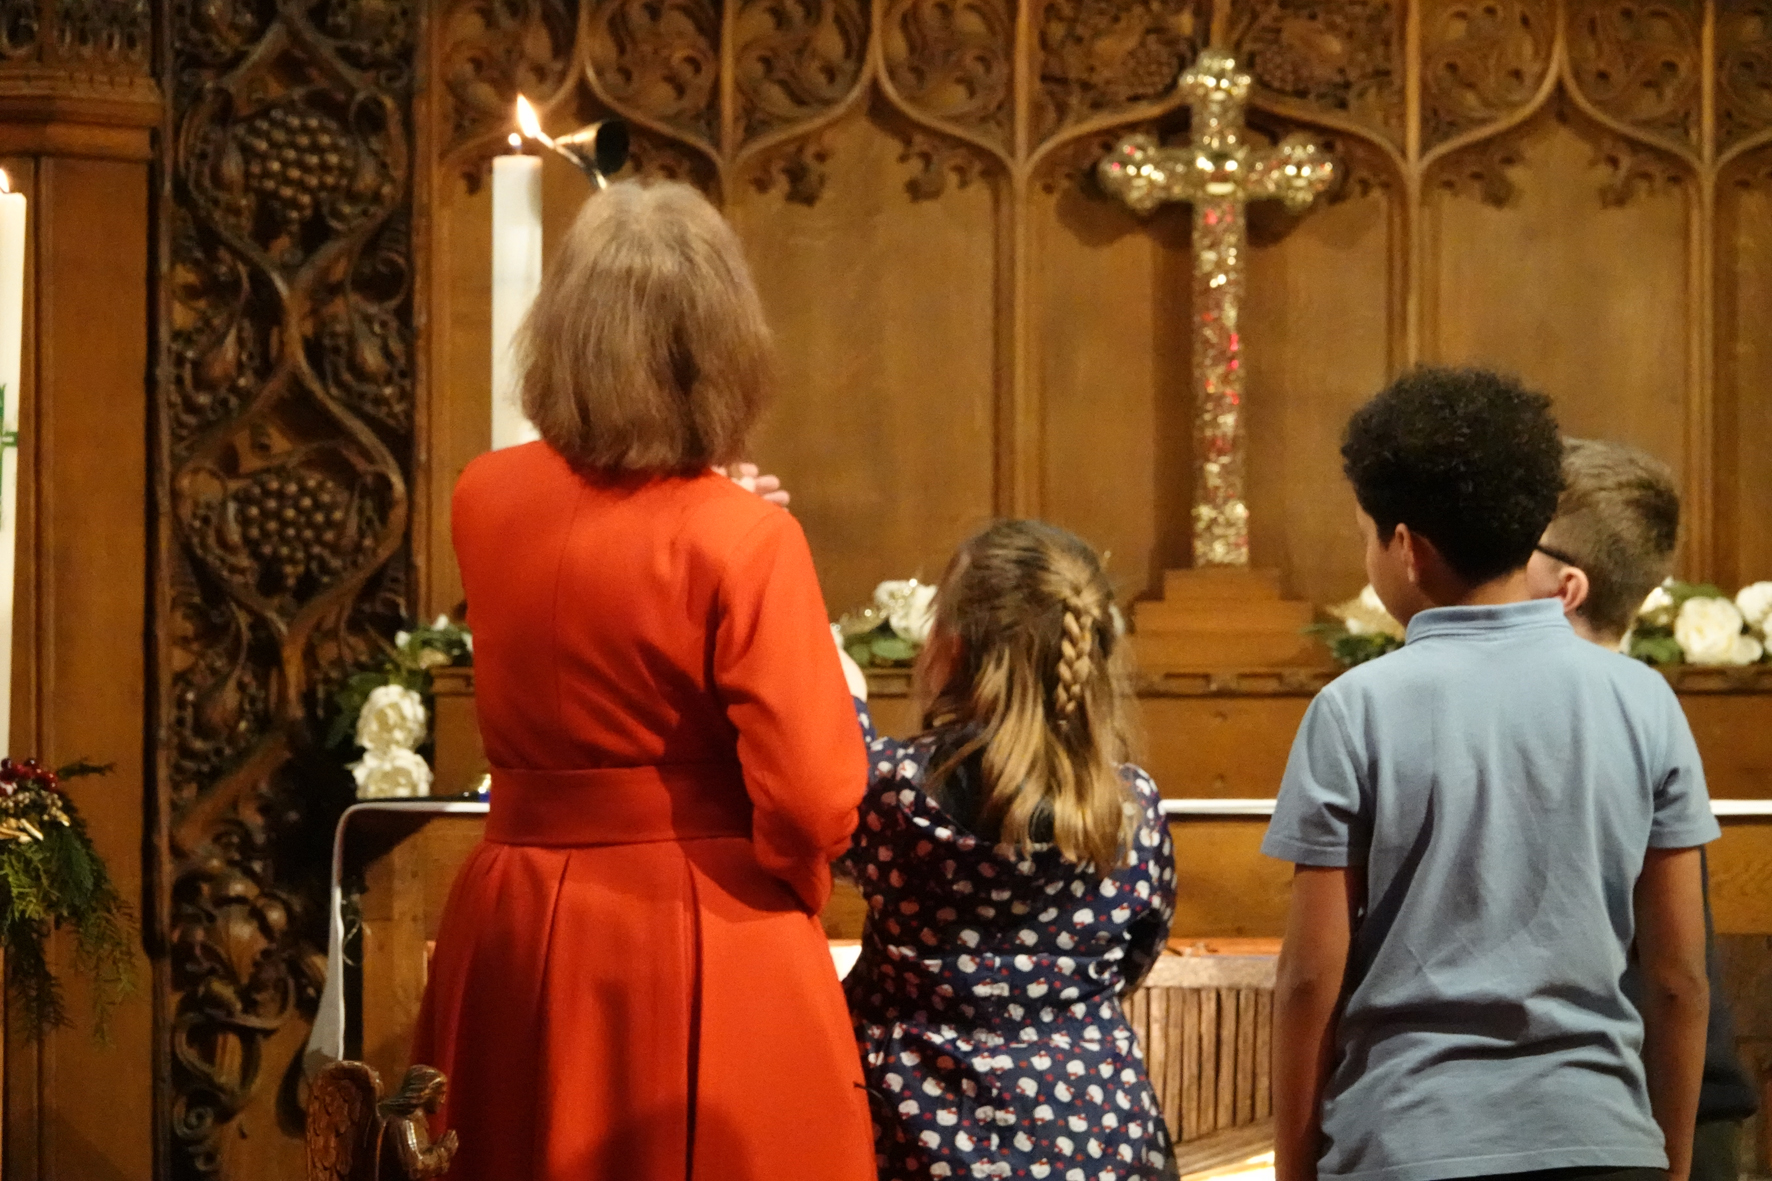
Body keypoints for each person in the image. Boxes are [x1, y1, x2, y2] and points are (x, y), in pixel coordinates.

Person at [412, 180, 875, 1181]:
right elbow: (813, 793)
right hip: (697, 920)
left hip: (513, 914)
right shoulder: (745, 538)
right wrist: (792, 880)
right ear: (719, 343)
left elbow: (597, 549)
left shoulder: (481, 496)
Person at [1263, 366, 1717, 1181]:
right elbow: (1679, 975)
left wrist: (1296, 1169)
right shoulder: (1643, 701)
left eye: (1368, 532)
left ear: (1407, 547)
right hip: (1602, 1140)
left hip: (1409, 1141)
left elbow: (1307, 978)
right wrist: (1668, 1161)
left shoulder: (1355, 708)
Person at [838, 519, 1180, 1181]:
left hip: (914, 1118)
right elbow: (1135, 955)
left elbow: (814, 810)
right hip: (1093, 1128)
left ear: (950, 644)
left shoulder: (891, 791)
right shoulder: (1130, 808)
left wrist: (844, 699)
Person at [1526, 437, 1758, 1181]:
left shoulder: (1606, 711)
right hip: (1652, 1110)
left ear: (1567, 586)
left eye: (1510, 544)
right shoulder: (1644, 706)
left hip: (1641, 1114)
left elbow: (1675, 975)